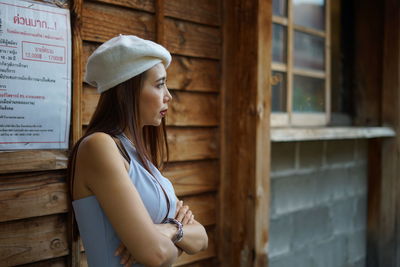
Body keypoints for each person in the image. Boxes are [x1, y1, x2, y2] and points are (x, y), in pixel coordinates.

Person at [68, 35, 208, 267]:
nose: (168, 96)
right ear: (128, 90)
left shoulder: (137, 156)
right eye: (159, 84)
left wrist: (170, 231)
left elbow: (202, 239)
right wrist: (172, 236)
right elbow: (156, 255)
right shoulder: (99, 147)